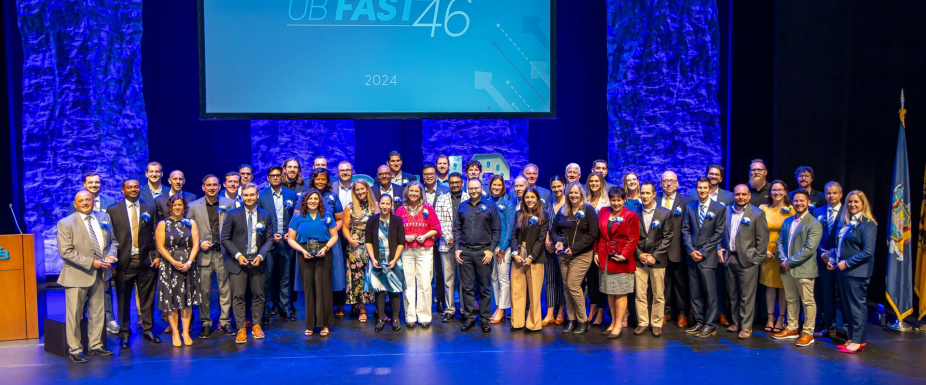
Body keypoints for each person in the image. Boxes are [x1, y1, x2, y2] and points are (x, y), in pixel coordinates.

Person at [57, 191, 118, 363]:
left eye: (88, 200)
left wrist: (111, 255)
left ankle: (96, 345)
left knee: (98, 312)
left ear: (93, 201)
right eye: (81, 201)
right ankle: (75, 349)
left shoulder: (104, 218)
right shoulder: (65, 223)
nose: (85, 203)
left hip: (100, 274)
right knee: (75, 315)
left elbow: (113, 242)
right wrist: (92, 262)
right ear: (75, 204)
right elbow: (66, 252)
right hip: (77, 275)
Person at [107, 180, 161, 348]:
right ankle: (124, 333)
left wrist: (158, 255)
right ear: (123, 190)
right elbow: (110, 238)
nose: (133, 190)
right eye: (129, 187)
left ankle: (148, 330)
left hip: (146, 261)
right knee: (123, 299)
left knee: (147, 298)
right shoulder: (113, 210)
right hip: (124, 262)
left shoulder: (150, 207)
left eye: (136, 187)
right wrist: (112, 263)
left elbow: (157, 233)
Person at [220, 184, 274, 344]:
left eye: (252, 195)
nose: (249, 198)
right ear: (241, 197)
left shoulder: (265, 215)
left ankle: (257, 325)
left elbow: (270, 238)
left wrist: (261, 256)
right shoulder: (232, 214)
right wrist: (237, 255)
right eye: (246, 195)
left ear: (257, 195)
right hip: (238, 262)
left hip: (258, 261)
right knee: (238, 296)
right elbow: (225, 238)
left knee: (258, 295)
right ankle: (241, 328)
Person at [66, 172, 119, 334]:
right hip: (84, 258)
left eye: (97, 182)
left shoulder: (109, 202)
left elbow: (112, 234)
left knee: (106, 291)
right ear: (84, 184)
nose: (94, 185)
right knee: (83, 295)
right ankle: (81, 321)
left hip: (104, 259)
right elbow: (73, 232)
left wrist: (111, 254)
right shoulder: (75, 204)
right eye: (91, 182)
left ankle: (109, 319)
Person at [827, 190, 876, 354]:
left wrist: (847, 263)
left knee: (857, 307)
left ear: (863, 204)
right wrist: (833, 260)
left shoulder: (868, 223)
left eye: (856, 202)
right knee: (847, 307)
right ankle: (851, 338)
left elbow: (868, 251)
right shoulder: (846, 222)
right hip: (843, 272)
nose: (852, 205)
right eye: (850, 202)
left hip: (857, 272)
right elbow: (840, 246)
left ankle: (859, 341)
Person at [187, 175, 236, 338]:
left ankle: (225, 321)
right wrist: (199, 242)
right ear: (203, 187)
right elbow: (188, 230)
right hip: (204, 254)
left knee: (225, 289)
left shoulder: (228, 204)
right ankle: (206, 323)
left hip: (223, 253)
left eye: (215, 185)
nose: (212, 188)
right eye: (208, 185)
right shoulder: (193, 206)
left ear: (220, 186)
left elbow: (235, 228)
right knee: (204, 291)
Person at [718, 185, 769, 339]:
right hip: (729, 257)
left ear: (749, 196)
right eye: (737, 194)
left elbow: (762, 239)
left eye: (743, 194)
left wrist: (757, 260)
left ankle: (746, 326)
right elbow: (719, 233)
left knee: (747, 295)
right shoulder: (726, 211)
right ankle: (736, 322)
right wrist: (719, 248)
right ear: (733, 195)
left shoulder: (757, 214)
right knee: (732, 294)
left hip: (748, 260)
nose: (740, 197)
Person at [287, 189, 339, 337]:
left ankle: (324, 324)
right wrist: (302, 251)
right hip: (305, 254)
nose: (313, 201)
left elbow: (334, 236)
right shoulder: (298, 217)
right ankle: (310, 324)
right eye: (310, 198)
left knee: (323, 288)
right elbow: (291, 239)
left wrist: (326, 248)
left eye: (316, 198)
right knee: (309, 289)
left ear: (320, 201)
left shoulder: (327, 216)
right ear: (305, 201)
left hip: (323, 253)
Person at [772, 190, 822, 347]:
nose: (799, 203)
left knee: (807, 301)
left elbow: (809, 249)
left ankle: (808, 332)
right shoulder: (787, 221)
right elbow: (779, 242)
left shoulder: (814, 223)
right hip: (786, 268)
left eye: (802, 201)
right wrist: (782, 258)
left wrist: (789, 262)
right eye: (796, 201)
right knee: (791, 299)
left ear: (808, 202)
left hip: (803, 269)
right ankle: (792, 328)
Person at [453, 179, 501, 333]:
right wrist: (456, 248)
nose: (474, 191)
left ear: (482, 188)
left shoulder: (490, 206)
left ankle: (485, 319)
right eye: (471, 188)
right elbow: (456, 229)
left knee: (484, 288)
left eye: (476, 188)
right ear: (467, 189)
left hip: (484, 252)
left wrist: (491, 249)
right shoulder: (462, 206)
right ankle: (469, 318)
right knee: (467, 288)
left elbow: (497, 230)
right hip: (465, 252)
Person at [681, 177, 726, 338]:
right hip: (692, 257)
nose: (702, 190)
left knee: (710, 293)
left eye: (705, 188)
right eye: (699, 187)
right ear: (696, 189)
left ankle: (710, 324)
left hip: (708, 258)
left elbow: (718, 233)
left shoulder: (719, 208)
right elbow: (685, 230)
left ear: (710, 189)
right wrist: (691, 250)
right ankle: (699, 322)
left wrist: (704, 251)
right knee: (695, 292)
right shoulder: (690, 207)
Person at [552, 181, 599, 334]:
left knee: (573, 285)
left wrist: (574, 248)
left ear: (581, 194)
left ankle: (583, 320)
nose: (573, 195)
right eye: (570, 193)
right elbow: (553, 230)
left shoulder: (589, 210)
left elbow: (593, 234)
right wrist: (558, 242)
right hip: (564, 255)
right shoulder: (563, 210)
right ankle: (571, 320)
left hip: (582, 254)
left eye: (576, 193)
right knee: (567, 288)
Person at [156, 194, 202, 347]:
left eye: (180, 205)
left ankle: (186, 332)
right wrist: (174, 262)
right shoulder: (163, 224)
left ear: (184, 207)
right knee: (172, 301)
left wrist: (189, 261)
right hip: (169, 265)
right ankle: (175, 332)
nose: (177, 207)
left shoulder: (191, 223)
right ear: (170, 207)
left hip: (188, 265)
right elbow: (161, 247)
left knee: (186, 301)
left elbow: (195, 245)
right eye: (174, 205)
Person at [395, 181, 441, 327]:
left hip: (424, 250)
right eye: (411, 191)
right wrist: (403, 237)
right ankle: (410, 317)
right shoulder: (400, 210)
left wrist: (426, 236)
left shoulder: (428, 209)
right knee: (408, 284)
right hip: (407, 251)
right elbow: (395, 231)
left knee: (425, 283)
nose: (414, 194)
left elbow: (436, 229)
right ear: (407, 193)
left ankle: (424, 316)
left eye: (417, 191)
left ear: (421, 193)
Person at [595, 187, 640, 338]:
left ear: (624, 200)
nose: (615, 203)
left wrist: (625, 255)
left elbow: (633, 239)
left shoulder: (630, 215)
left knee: (620, 292)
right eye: (613, 200)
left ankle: (619, 324)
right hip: (605, 258)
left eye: (619, 200)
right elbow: (599, 235)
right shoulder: (603, 212)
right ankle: (613, 322)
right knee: (610, 292)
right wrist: (596, 252)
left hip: (621, 260)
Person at [632, 182, 673, 337]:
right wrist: (639, 254)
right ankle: (642, 322)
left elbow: (668, 237)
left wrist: (654, 256)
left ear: (654, 194)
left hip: (658, 260)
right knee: (640, 294)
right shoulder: (634, 212)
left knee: (658, 294)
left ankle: (656, 323)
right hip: (639, 259)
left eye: (648, 193)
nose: (644, 196)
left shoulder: (665, 213)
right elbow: (631, 237)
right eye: (642, 193)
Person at [258, 167, 297, 323]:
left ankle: (285, 309)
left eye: (278, 175)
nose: (275, 178)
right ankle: (265, 311)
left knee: (285, 277)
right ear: (268, 178)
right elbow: (259, 219)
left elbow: (296, 216)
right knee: (267, 278)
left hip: (286, 242)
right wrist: (268, 236)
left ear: (282, 176)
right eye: (272, 176)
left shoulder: (291, 195)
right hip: (270, 242)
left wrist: (291, 233)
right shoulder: (262, 196)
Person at [364, 193, 406, 332]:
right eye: (383, 203)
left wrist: (394, 260)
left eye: (388, 204)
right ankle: (380, 319)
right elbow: (368, 241)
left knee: (394, 290)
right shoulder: (372, 220)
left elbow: (401, 243)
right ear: (378, 204)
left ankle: (395, 318)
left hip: (393, 259)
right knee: (379, 291)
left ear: (391, 205)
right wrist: (373, 258)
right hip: (377, 259)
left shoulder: (397, 221)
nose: (385, 206)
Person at [308, 167, 348, 317]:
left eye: (323, 179)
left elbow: (340, 219)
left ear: (327, 181)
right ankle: (318, 305)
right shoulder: (306, 196)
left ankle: (338, 303)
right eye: (317, 178)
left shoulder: (333, 197)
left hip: (331, 240)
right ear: (313, 180)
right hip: (312, 241)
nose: (320, 181)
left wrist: (331, 231)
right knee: (316, 272)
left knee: (334, 271)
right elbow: (298, 218)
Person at [509, 187, 549, 333]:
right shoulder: (519, 214)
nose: (530, 200)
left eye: (532, 197)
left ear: (537, 198)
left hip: (535, 256)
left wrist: (531, 256)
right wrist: (514, 252)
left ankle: (533, 323)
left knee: (534, 292)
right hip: (519, 255)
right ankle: (517, 322)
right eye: (527, 197)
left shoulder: (544, 215)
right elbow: (513, 234)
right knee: (517, 290)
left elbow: (541, 239)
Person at [658, 171, 693, 328]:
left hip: (678, 250)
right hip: (659, 250)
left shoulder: (686, 202)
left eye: (672, 181)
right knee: (663, 284)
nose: (669, 184)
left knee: (680, 284)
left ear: (677, 183)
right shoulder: (655, 199)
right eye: (665, 181)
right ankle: (665, 311)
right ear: (661, 184)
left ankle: (682, 312)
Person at [759, 180, 792, 334]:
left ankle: (781, 318)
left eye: (780, 190)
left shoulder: (791, 210)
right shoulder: (763, 209)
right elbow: (758, 231)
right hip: (767, 252)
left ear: (785, 191)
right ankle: (770, 317)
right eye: (774, 190)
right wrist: (763, 249)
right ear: (769, 192)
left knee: (784, 287)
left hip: (785, 253)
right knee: (770, 286)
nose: (777, 193)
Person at [342, 180, 377, 322]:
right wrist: (350, 240)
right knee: (359, 279)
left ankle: (378, 309)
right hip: (356, 246)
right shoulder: (349, 208)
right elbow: (345, 227)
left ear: (367, 189)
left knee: (374, 277)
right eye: (357, 190)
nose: (360, 192)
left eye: (363, 189)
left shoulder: (376, 206)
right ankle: (362, 308)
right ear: (354, 192)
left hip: (374, 246)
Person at [813, 181, 844, 337]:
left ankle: (843, 327)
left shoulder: (848, 211)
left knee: (840, 295)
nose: (831, 196)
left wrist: (832, 254)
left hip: (841, 260)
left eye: (834, 193)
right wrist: (820, 252)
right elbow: (813, 234)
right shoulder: (817, 211)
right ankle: (825, 324)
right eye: (828, 193)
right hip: (821, 259)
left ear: (840, 194)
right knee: (822, 293)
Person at [435, 172, 465, 322]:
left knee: (465, 279)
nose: (454, 185)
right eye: (452, 182)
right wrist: (449, 238)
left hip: (465, 245)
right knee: (448, 279)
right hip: (446, 244)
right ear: (449, 184)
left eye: (457, 182)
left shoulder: (468, 198)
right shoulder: (441, 199)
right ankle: (449, 308)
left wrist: (459, 240)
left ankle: (465, 309)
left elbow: (470, 223)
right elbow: (439, 222)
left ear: (462, 183)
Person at [486, 175, 514, 324]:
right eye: (494, 185)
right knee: (493, 279)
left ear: (503, 187)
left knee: (503, 278)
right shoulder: (487, 203)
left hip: (503, 247)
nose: (496, 187)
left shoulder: (507, 205)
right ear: (490, 186)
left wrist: (502, 248)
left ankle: (503, 309)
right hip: (490, 247)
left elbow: (509, 228)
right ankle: (497, 307)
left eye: (499, 185)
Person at [422, 164, 450, 313]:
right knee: (425, 272)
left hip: (441, 238)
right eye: (426, 174)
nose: (429, 177)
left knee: (440, 272)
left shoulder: (445, 190)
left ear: (436, 174)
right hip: (422, 239)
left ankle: (440, 301)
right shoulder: (418, 191)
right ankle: (424, 302)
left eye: (432, 174)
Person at [584, 172, 609, 326]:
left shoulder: (606, 202)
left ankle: (600, 311)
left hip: (600, 245)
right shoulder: (585, 200)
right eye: (591, 181)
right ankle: (592, 308)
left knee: (600, 279)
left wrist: (598, 250)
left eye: (596, 181)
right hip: (585, 245)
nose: (594, 184)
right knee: (591, 280)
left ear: (601, 183)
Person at [542, 175, 567, 325]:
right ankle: (550, 312)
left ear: (563, 186)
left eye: (559, 186)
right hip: (549, 247)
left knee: (562, 280)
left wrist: (559, 244)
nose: (556, 189)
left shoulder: (568, 205)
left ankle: (562, 312)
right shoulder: (548, 205)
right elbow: (545, 225)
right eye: (554, 186)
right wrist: (547, 241)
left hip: (564, 247)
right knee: (550, 279)